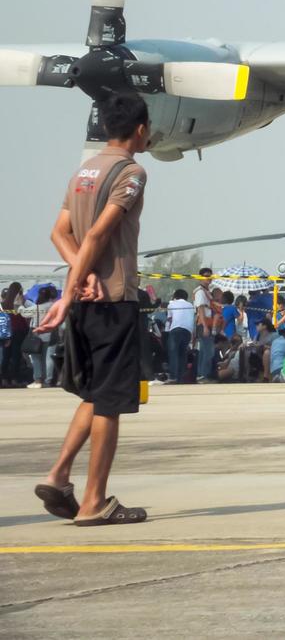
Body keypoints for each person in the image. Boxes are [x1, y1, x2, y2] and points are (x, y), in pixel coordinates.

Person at [33, 91, 150, 526]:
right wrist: (76, 285)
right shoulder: (131, 172)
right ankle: (93, 500)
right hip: (114, 298)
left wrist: (77, 278)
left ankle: (59, 474)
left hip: (87, 300)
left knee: (94, 393)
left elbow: (59, 233)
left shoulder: (83, 171)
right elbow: (100, 234)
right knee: (111, 403)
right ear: (141, 130)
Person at [23, 286, 59, 388]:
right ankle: (47, 380)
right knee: (48, 359)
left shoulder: (37, 307)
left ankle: (38, 380)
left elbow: (24, 313)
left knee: (36, 358)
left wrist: (20, 306)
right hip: (51, 335)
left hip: (37, 335)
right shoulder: (54, 306)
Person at [2, 281, 32, 388]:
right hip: (19, 332)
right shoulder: (19, 303)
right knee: (16, 356)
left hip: (7, 332)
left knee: (6, 356)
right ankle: (15, 379)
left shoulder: (4, 304)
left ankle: (4, 379)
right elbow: (24, 318)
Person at [164, 288, 196, 384]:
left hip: (176, 329)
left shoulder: (172, 304)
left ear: (175, 297)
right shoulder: (190, 305)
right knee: (182, 353)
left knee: (173, 353)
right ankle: (181, 377)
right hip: (187, 331)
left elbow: (169, 319)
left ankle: (173, 376)